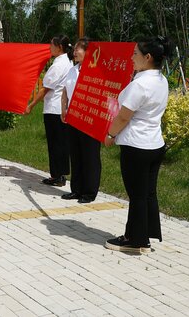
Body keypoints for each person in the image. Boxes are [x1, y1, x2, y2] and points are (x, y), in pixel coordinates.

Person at [103, 36, 172, 254]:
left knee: (137, 194)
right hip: (154, 145)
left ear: (148, 57)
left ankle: (134, 240)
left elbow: (124, 116)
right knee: (148, 193)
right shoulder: (161, 80)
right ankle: (144, 236)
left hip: (136, 146)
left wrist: (110, 134)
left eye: (135, 54)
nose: (131, 58)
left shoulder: (140, 84)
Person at [26, 36, 73, 186]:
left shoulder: (58, 65)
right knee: (61, 143)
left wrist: (31, 105)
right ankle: (61, 174)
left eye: (51, 45)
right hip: (61, 108)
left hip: (53, 109)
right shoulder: (68, 61)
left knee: (55, 144)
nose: (49, 47)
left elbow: (45, 89)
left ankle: (56, 176)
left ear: (59, 47)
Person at [60, 37, 101, 203]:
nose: (75, 52)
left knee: (89, 155)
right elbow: (65, 90)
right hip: (73, 117)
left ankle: (89, 192)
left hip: (90, 119)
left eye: (79, 49)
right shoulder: (73, 69)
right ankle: (76, 189)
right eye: (75, 49)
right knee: (76, 154)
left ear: (88, 52)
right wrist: (63, 109)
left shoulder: (95, 71)